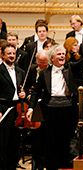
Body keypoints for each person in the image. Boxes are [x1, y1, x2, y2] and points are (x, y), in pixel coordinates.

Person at [26, 44, 83, 169]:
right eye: (59, 54)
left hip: (68, 109)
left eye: (63, 54)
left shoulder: (69, 67)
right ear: (52, 58)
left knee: (66, 140)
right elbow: (36, 91)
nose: (62, 56)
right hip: (49, 109)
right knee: (51, 141)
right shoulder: (44, 73)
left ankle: (64, 166)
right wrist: (31, 108)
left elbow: (82, 63)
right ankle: (52, 167)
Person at [0, 42, 26, 170]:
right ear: (2, 55)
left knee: (14, 142)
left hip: (16, 109)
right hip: (3, 108)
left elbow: (20, 89)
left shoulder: (20, 71)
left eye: (13, 53)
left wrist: (23, 94)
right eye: (9, 53)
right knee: (2, 142)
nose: (12, 56)